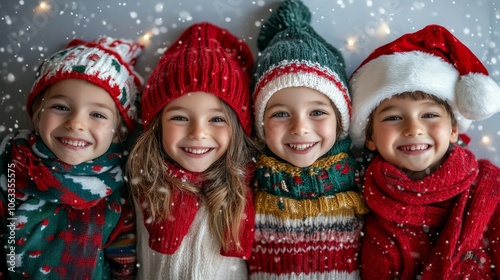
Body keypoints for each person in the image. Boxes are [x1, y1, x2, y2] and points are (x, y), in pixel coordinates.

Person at [349, 24, 500, 279]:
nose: (414, 129)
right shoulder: (363, 199)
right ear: (370, 137)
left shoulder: (488, 188)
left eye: (429, 115)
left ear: (453, 129)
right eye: (393, 118)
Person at [0, 37, 143, 279]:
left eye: (97, 114)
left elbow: (123, 256)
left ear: (118, 131)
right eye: (61, 107)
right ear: (37, 115)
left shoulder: (119, 183)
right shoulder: (14, 163)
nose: (76, 123)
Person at [247, 0, 369, 278]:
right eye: (280, 114)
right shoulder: (249, 178)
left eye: (316, 112)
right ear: (261, 124)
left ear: (340, 121)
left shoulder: (362, 178)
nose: (300, 128)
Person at [126, 22, 257, 279]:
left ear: (238, 129)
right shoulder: (143, 182)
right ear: (157, 126)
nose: (198, 133)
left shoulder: (248, 184)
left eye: (217, 119)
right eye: (180, 118)